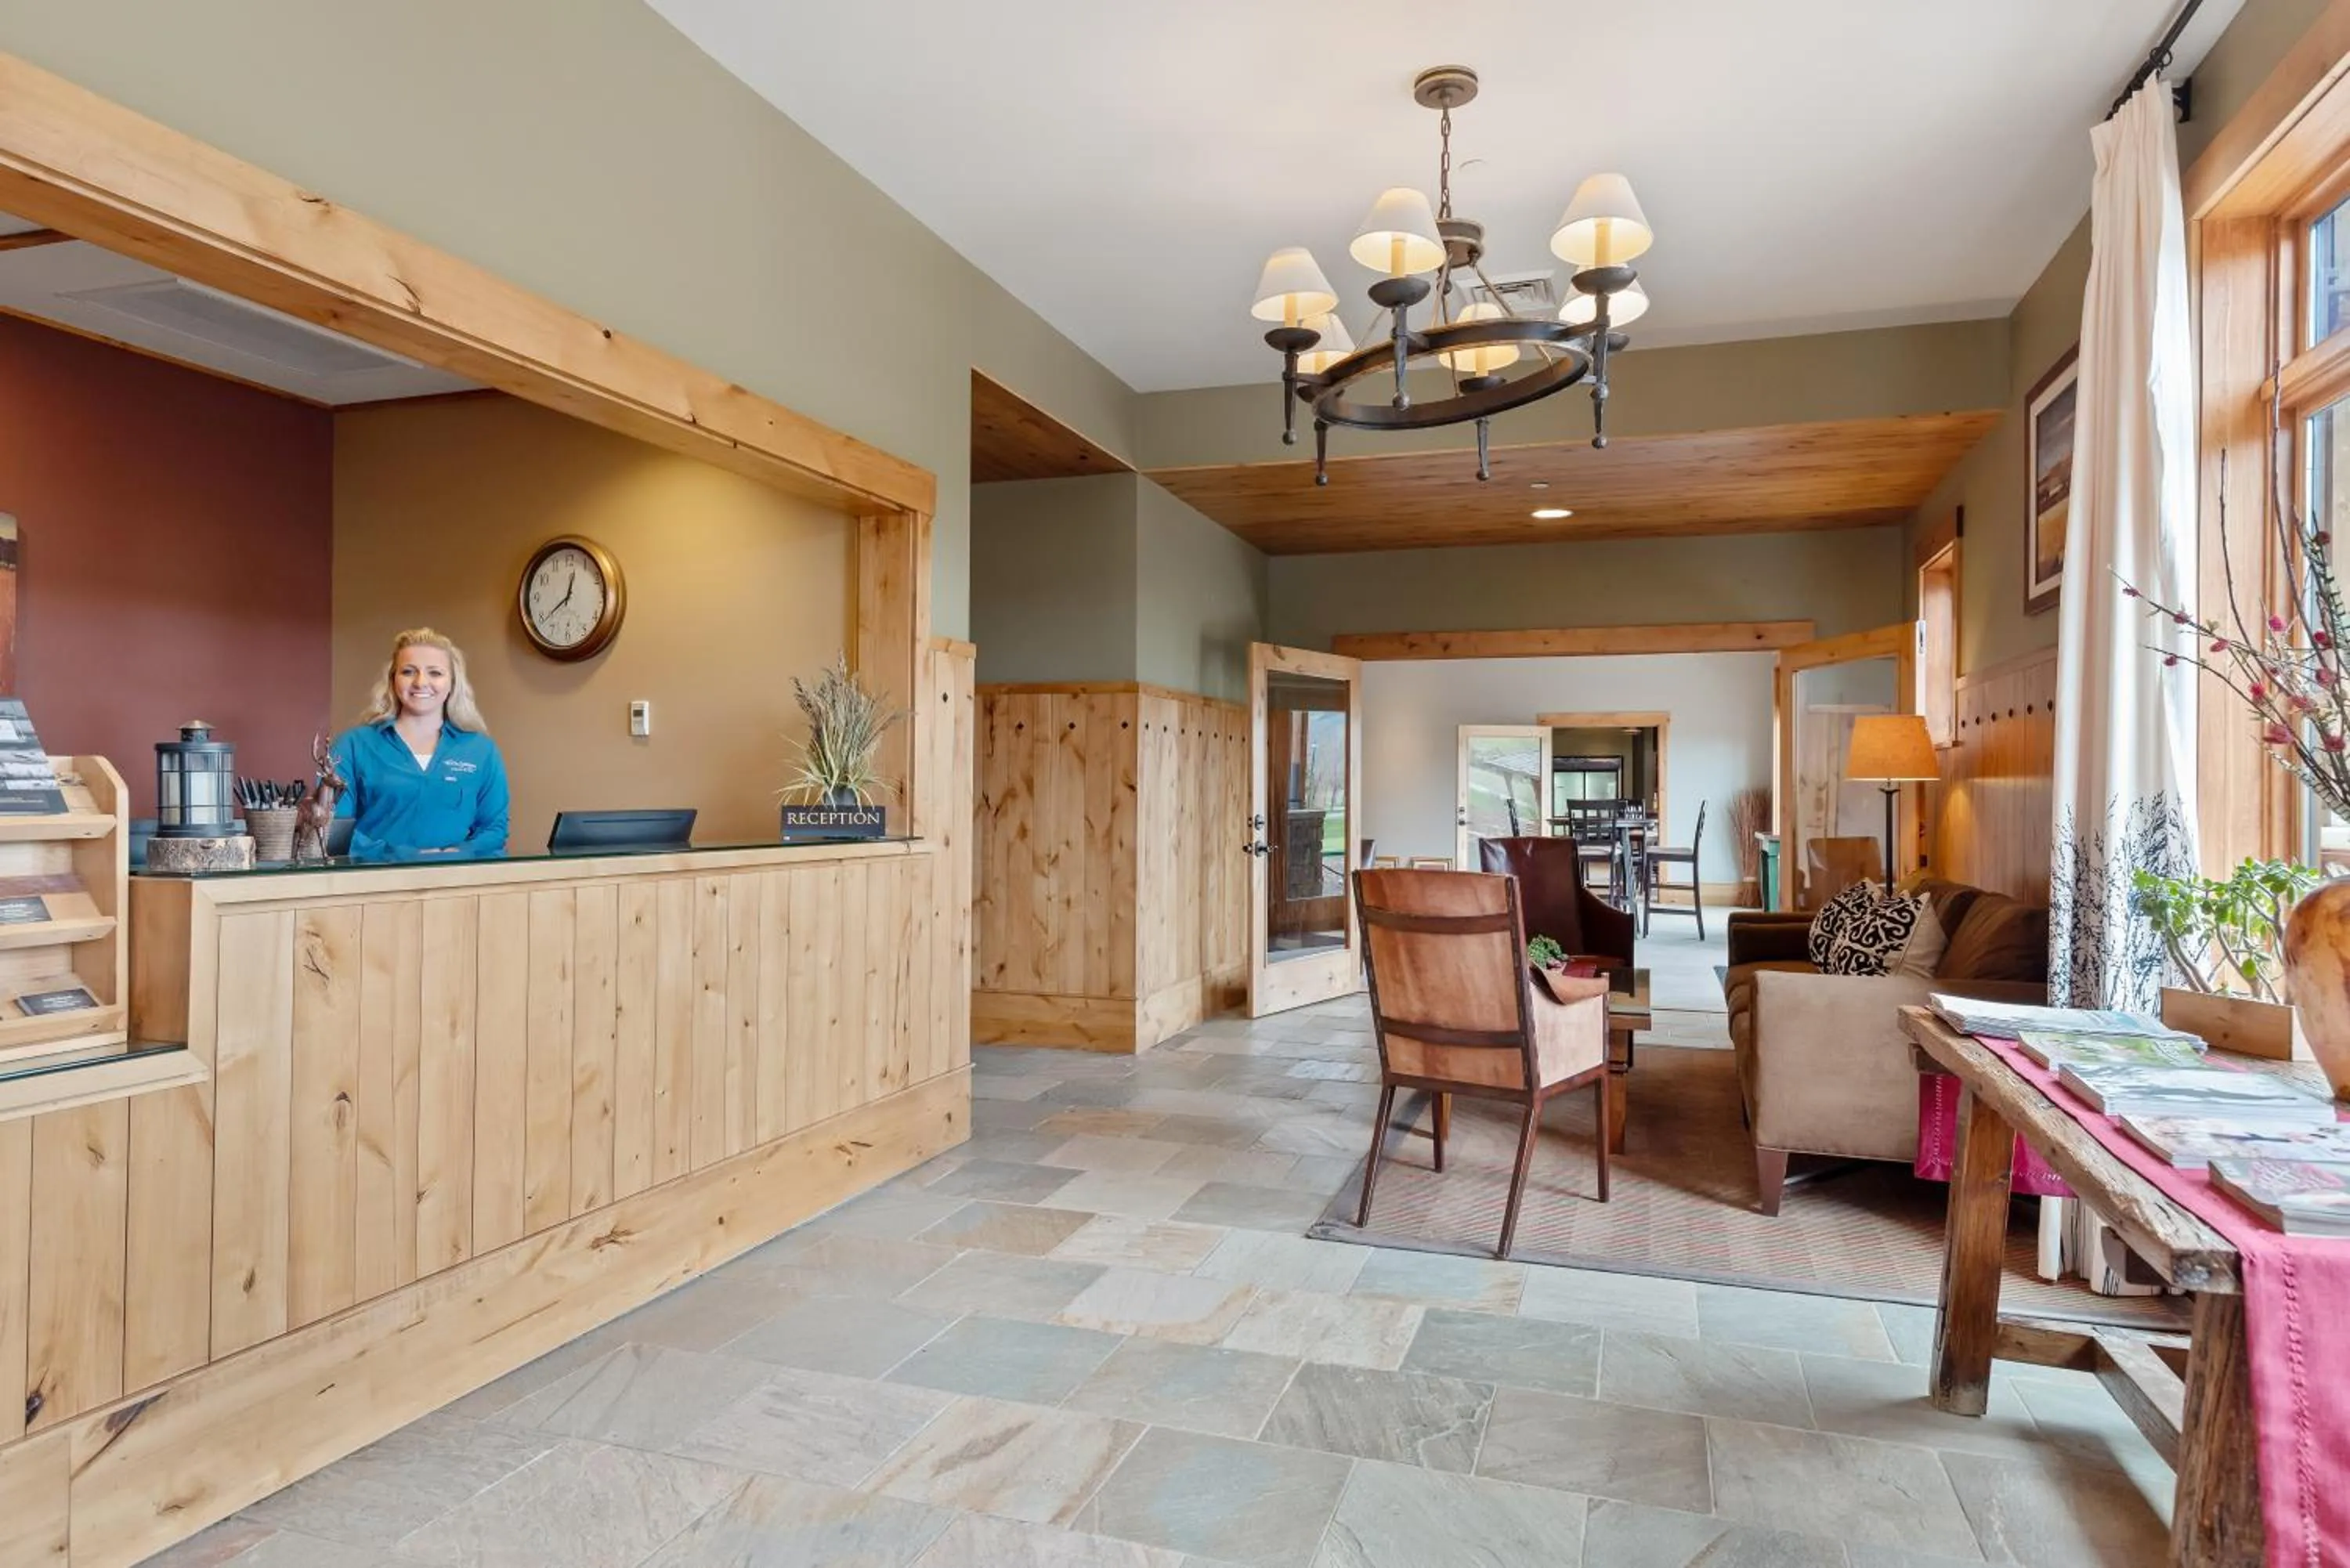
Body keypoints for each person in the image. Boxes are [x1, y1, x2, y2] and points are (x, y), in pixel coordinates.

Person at [331, 627, 509, 861]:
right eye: (408, 671)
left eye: (435, 673)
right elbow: (333, 829)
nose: (421, 682)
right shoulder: (352, 746)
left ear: (453, 682)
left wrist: (455, 856)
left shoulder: (482, 751)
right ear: (393, 679)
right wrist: (405, 856)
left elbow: (494, 829)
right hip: (372, 885)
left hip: (460, 884)